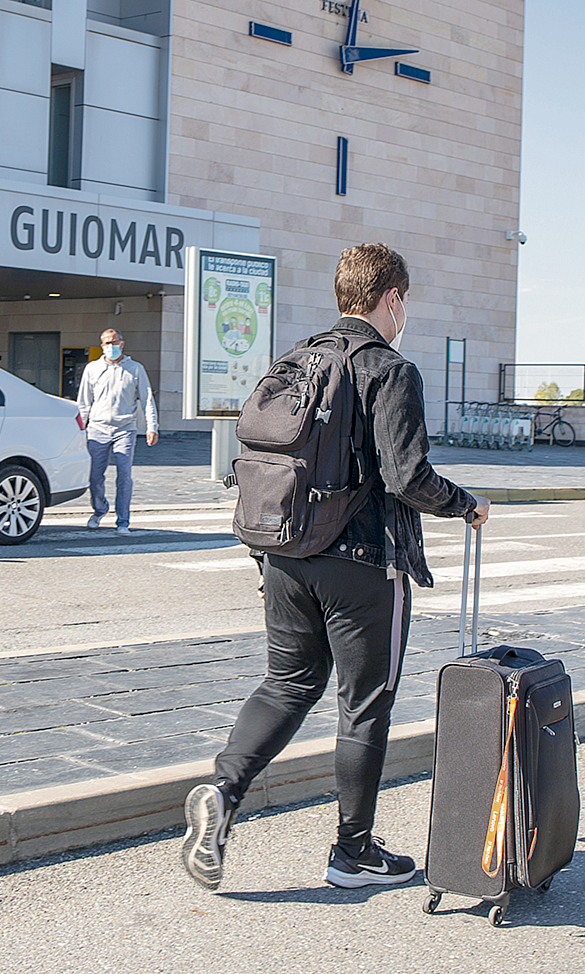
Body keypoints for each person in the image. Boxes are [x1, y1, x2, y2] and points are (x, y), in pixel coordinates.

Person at [181, 243, 491, 892]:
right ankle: (352, 854)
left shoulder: (297, 359)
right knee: (365, 706)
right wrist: (466, 506)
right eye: (405, 302)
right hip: (362, 565)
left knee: (287, 685)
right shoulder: (388, 369)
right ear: (393, 298)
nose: (405, 314)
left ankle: (223, 790)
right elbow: (407, 478)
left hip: (285, 554)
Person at [76, 328, 158, 534]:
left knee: (124, 475)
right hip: (97, 428)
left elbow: (147, 399)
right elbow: (84, 402)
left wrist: (152, 427)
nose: (110, 346)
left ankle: (123, 521)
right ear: (101, 345)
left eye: (114, 342)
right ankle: (99, 509)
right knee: (95, 476)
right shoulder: (92, 369)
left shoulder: (135, 369)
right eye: (106, 343)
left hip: (125, 428)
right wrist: (80, 428)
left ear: (122, 343)